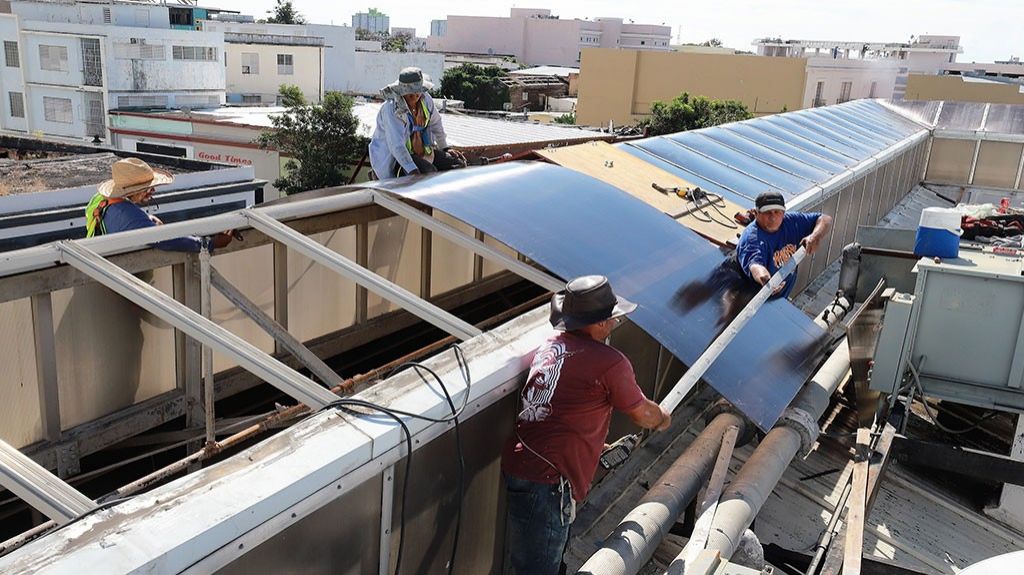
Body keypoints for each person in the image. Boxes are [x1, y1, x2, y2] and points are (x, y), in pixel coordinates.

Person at [501, 275, 672, 575]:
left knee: (536, 559)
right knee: (539, 569)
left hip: (523, 462)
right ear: (601, 323)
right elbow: (642, 414)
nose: (614, 323)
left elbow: (560, 409)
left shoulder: (552, 346)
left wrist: (592, 445)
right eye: (612, 318)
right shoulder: (610, 362)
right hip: (549, 479)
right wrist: (663, 418)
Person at [85, 157, 233, 252]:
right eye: (147, 188)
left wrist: (147, 219)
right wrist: (209, 244)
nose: (153, 191)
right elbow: (164, 240)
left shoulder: (101, 200)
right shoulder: (128, 215)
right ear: (132, 191)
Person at [368, 67, 465, 179]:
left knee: (457, 164)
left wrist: (445, 147)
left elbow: (436, 124)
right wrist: (412, 170)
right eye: (410, 93)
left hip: (422, 152)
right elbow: (396, 145)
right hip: (396, 159)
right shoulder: (391, 109)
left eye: (417, 91)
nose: (415, 96)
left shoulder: (426, 100)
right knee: (428, 173)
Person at [735, 191, 833, 299]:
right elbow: (755, 265)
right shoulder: (752, 238)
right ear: (756, 213)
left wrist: (815, 236)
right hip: (757, 301)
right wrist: (766, 280)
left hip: (782, 296)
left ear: (783, 212)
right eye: (767, 212)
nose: (773, 217)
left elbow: (825, 219)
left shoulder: (791, 221)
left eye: (777, 212)